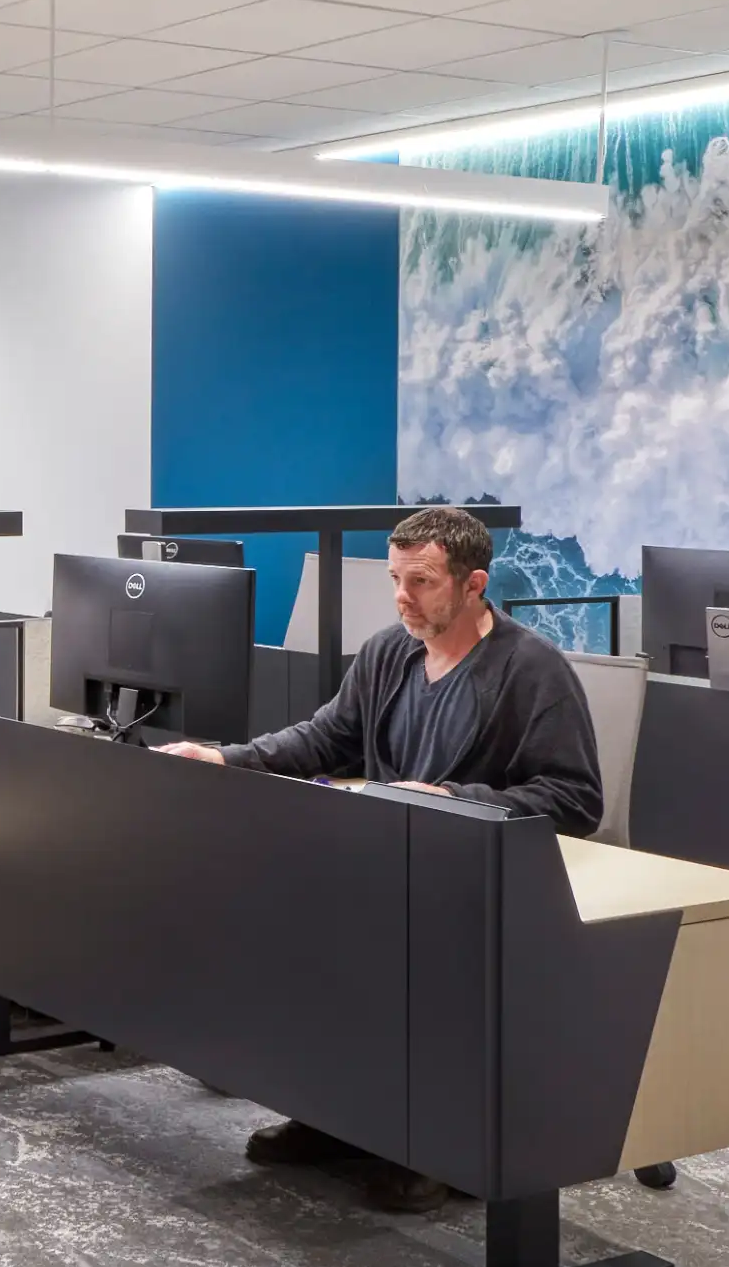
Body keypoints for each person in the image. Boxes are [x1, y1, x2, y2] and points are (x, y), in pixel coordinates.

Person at [160, 504, 603, 1213]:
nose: (402, 596)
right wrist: (226, 757)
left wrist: (453, 796)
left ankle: (437, 1145)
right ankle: (336, 1118)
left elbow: (576, 798)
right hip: (391, 866)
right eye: (397, 578)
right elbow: (323, 737)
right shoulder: (387, 653)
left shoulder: (531, 671)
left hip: (475, 881)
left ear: (473, 584)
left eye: (421, 582)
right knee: (283, 923)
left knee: (400, 955)